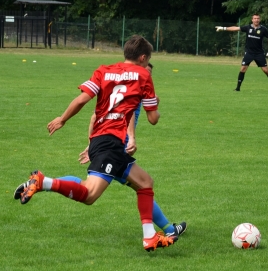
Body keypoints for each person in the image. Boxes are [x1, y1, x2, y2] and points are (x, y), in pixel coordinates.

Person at [14, 35, 179, 252]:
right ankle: (44, 182)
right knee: (90, 194)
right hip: (112, 142)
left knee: (145, 182)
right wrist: (154, 104)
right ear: (143, 57)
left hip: (101, 139)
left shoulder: (103, 70)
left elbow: (82, 99)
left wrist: (62, 119)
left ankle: (151, 236)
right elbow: (153, 119)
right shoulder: (143, 75)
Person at [53, 63, 187, 238]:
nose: (145, 76)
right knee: (92, 192)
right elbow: (128, 116)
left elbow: (97, 117)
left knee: (143, 185)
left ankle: (167, 230)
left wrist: (92, 143)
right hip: (115, 147)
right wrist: (131, 137)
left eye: (149, 74)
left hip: (107, 143)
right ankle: (43, 183)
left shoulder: (130, 87)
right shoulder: (133, 90)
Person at [215, 13, 268, 92]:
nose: (256, 20)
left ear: (259, 20)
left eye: (258, 18)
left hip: (259, 53)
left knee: (266, 71)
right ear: (252, 20)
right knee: (243, 68)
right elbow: (235, 28)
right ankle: (237, 88)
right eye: (255, 18)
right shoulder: (247, 27)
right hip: (249, 52)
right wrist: (223, 28)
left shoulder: (263, 29)